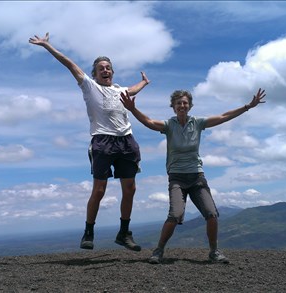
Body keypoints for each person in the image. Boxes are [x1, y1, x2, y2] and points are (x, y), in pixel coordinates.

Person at [29, 32, 149, 251]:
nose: (105, 70)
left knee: (130, 188)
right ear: (94, 74)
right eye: (101, 68)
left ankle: (124, 234)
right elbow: (70, 64)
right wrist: (47, 46)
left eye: (108, 68)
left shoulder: (120, 90)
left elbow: (132, 90)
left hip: (127, 141)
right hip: (102, 141)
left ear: (112, 72)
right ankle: (88, 232)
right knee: (100, 190)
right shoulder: (89, 86)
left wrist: (144, 82)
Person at [120, 88, 266, 263]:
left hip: (197, 177)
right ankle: (158, 251)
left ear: (189, 106)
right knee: (175, 215)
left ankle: (214, 252)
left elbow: (223, 117)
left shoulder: (197, 123)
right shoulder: (169, 126)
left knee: (211, 214)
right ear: (173, 107)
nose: (182, 105)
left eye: (185, 103)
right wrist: (133, 109)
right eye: (178, 103)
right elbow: (149, 122)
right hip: (177, 179)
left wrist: (248, 106)